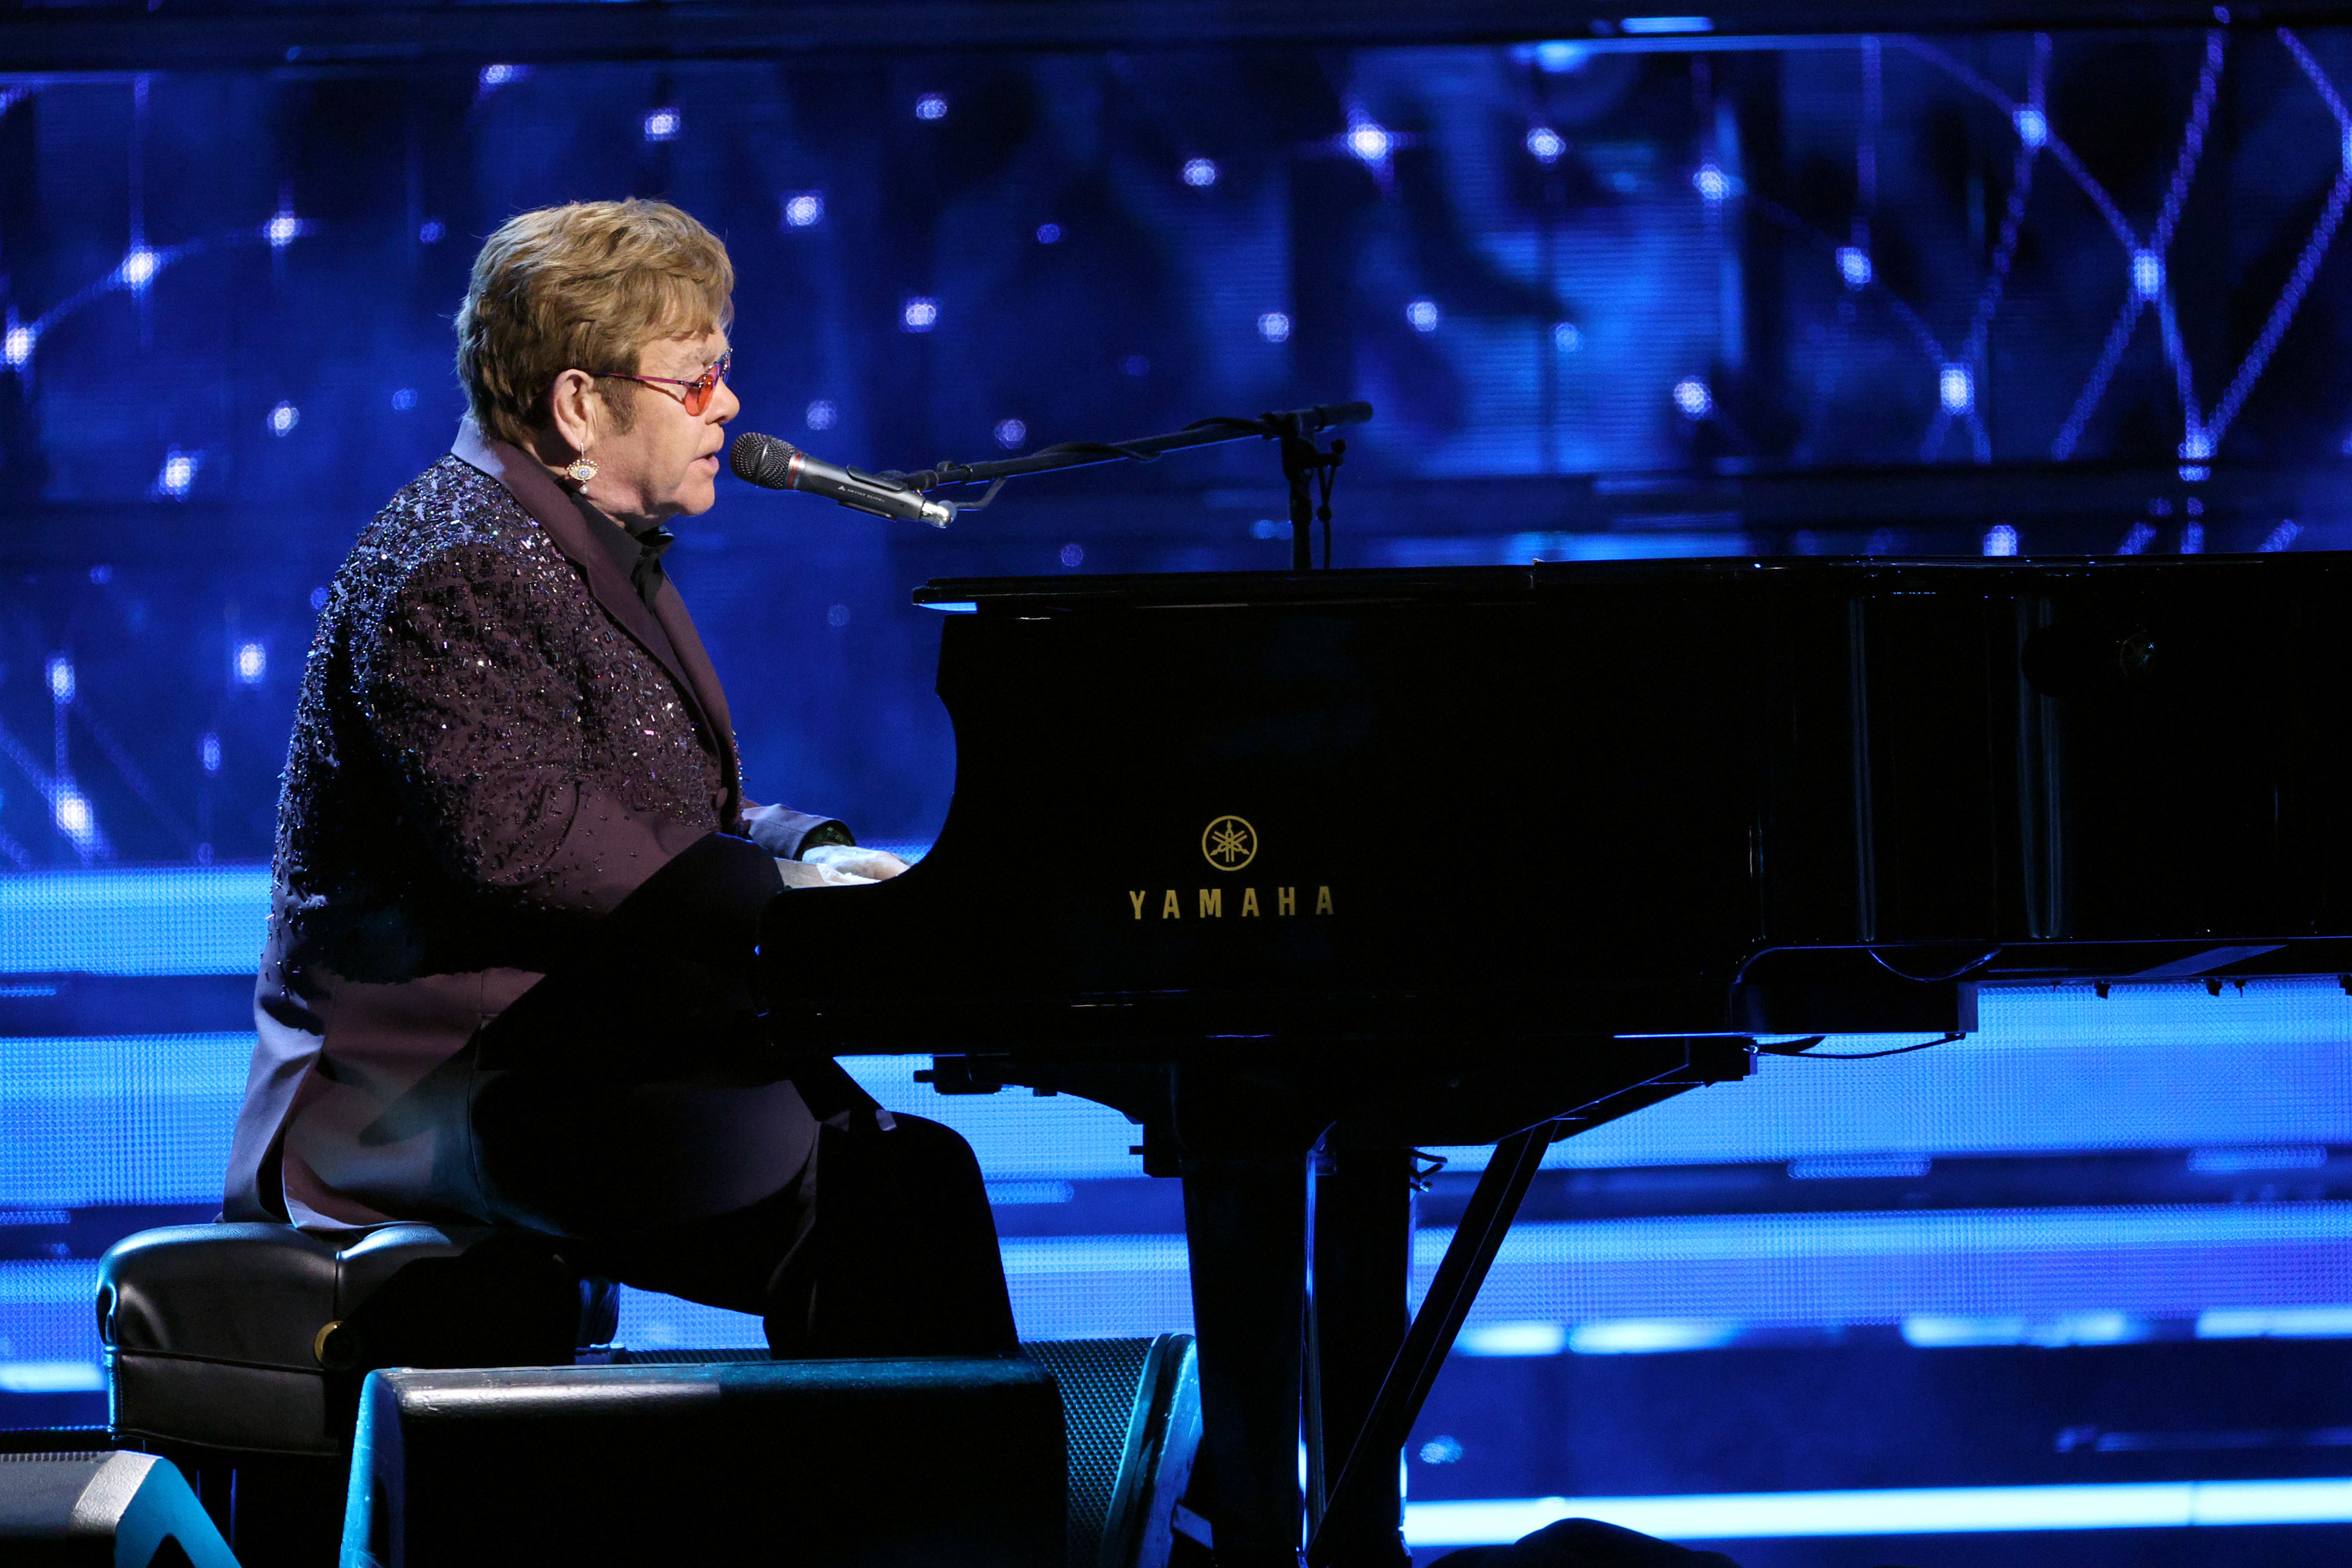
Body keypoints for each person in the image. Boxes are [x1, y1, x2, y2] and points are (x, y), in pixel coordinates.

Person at [223, 198, 1016, 1358]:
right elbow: (533, 842)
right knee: (878, 1194)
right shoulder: (459, 564)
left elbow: (642, 802)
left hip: (565, 1050)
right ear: (579, 404)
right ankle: (904, 1520)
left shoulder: (546, 536)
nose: (730, 405)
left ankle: (916, 1510)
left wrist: (807, 850)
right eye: (696, 379)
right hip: (437, 1090)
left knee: (898, 1175)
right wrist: (792, 905)